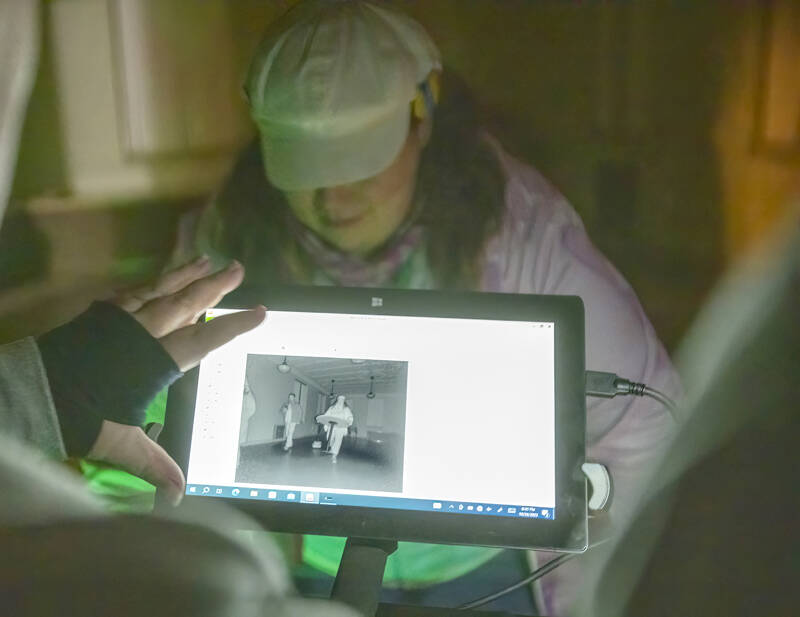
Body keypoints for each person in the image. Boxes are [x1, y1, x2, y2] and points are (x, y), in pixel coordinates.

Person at [169, 1, 681, 614]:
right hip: (312, 569)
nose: (333, 199)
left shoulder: (527, 240)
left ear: (425, 112)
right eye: (306, 167)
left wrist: (582, 597)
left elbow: (645, 433)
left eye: (361, 161)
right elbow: (149, 417)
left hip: (484, 570)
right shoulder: (223, 238)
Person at [318, 395, 354, 464]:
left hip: (341, 427)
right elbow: (326, 416)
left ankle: (334, 455)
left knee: (338, 440)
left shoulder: (346, 409)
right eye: (339, 400)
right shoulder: (332, 408)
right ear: (337, 400)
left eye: (342, 400)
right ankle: (332, 448)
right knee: (329, 438)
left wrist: (349, 420)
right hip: (331, 426)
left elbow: (350, 416)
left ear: (343, 401)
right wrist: (323, 421)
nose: (340, 401)